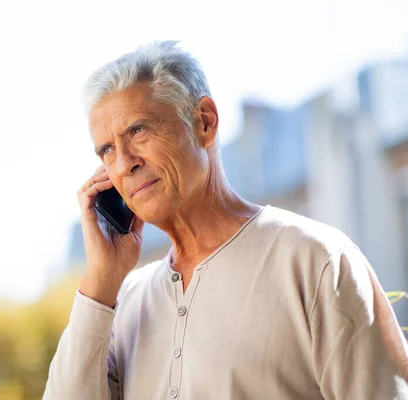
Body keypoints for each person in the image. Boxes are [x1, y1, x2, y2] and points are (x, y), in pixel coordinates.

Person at [43, 41, 408, 399]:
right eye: (106, 150)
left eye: (138, 130)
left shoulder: (316, 260)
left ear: (204, 122)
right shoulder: (123, 303)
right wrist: (101, 281)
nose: (124, 164)